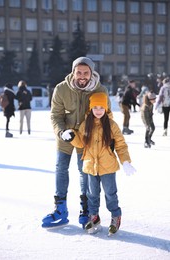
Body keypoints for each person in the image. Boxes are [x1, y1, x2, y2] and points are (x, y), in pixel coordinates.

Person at [41, 57, 111, 229]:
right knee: (60, 168)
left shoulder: (100, 90)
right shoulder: (61, 88)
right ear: (73, 72)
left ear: (91, 73)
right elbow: (55, 115)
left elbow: (106, 116)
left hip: (86, 138)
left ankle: (85, 209)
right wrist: (61, 131)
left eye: (85, 73)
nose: (82, 76)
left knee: (84, 171)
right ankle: (60, 209)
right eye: (78, 72)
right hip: (66, 135)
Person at [62, 92, 135, 234]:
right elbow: (81, 143)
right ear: (91, 109)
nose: (98, 111)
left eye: (102, 107)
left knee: (110, 193)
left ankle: (115, 216)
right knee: (92, 194)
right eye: (95, 108)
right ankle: (94, 217)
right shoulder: (85, 125)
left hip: (107, 166)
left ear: (106, 108)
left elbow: (120, 144)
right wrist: (71, 135)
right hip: (90, 166)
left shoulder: (112, 125)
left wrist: (125, 161)